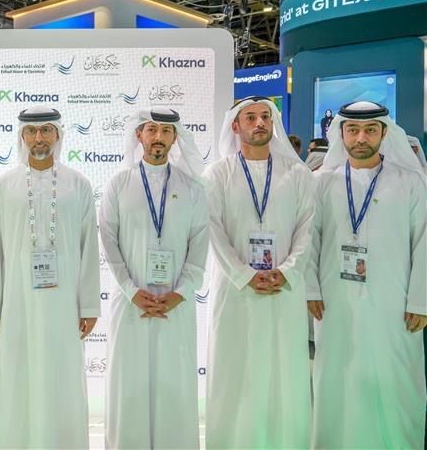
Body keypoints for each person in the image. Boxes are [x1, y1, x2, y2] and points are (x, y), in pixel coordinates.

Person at [306, 101, 426, 448]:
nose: (361, 138)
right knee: (337, 379)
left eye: (370, 130)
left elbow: (424, 242)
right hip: (334, 301)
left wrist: (420, 300)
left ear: (384, 133)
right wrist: (311, 290)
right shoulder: (321, 182)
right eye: (353, 130)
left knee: (395, 380)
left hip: (395, 304)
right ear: (341, 133)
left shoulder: (410, 182)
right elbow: (310, 240)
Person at [0, 106, 100, 448]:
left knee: (62, 375)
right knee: (17, 376)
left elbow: (88, 248)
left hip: (64, 301)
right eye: (32, 131)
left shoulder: (78, 184)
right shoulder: (5, 185)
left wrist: (89, 305)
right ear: (22, 136)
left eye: (46, 130)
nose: (39, 138)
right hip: (17, 300)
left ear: (58, 135)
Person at [204, 96, 315, 448]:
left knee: (284, 373)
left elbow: (308, 229)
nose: (259, 123)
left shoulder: (297, 174)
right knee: (235, 372)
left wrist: (287, 271)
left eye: (265, 116)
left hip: (284, 291)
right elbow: (213, 231)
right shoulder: (217, 174)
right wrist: (244, 274)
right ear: (235, 126)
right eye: (250, 117)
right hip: (235, 292)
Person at [99, 108, 208, 449]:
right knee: (129, 382)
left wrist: (182, 292)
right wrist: (131, 290)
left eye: (165, 131)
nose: (158, 137)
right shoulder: (119, 183)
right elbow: (108, 241)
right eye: (151, 130)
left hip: (176, 305)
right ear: (139, 135)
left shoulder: (191, 188)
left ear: (175, 137)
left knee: (173, 383)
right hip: (130, 303)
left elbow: (199, 245)